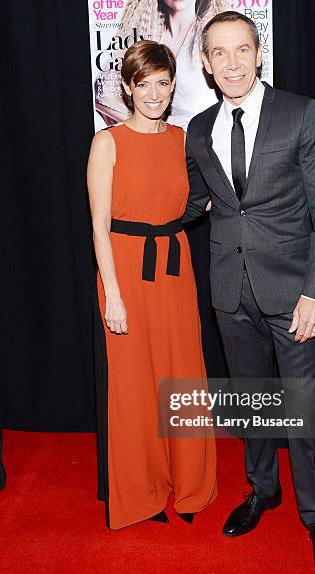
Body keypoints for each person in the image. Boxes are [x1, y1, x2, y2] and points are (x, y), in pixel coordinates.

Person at [183, 11, 315, 574]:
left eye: (241, 50)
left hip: (294, 292)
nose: (231, 63)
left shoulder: (300, 113)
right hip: (230, 291)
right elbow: (195, 202)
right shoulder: (199, 129)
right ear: (205, 63)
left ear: (260, 53)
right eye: (219, 54)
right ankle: (262, 491)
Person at [87, 39, 217, 530]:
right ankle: (141, 492)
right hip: (124, 270)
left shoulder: (183, 139)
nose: (155, 93)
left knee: (180, 375)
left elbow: (202, 196)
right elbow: (99, 225)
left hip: (175, 267)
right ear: (127, 86)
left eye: (163, 83)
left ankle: (188, 485)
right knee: (135, 385)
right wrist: (113, 294)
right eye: (145, 84)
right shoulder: (108, 142)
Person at [95, 0, 226, 129]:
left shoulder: (213, 35)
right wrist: (154, 127)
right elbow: (103, 95)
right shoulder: (149, 34)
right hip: (159, 144)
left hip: (204, 144)